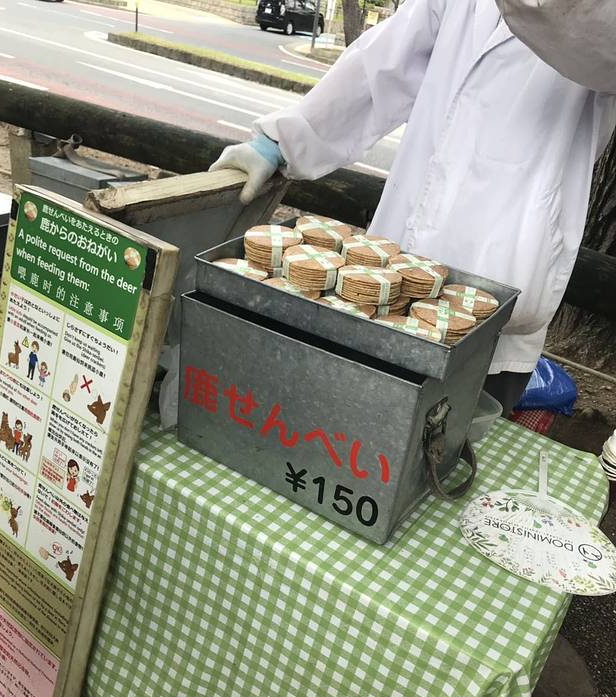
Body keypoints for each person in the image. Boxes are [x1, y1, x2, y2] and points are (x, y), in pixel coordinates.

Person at [210, 0, 616, 414]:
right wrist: (281, 141)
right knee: (344, 417)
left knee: (444, 441)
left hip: (502, 287)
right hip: (389, 284)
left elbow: (572, 28)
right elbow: (381, 66)